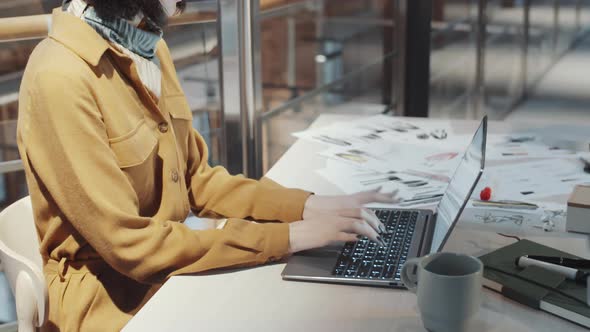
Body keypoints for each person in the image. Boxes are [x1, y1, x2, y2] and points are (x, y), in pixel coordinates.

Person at [16, 1, 398, 330]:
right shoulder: (61, 77)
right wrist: (291, 237)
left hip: (167, 278)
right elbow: (132, 246)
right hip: (108, 305)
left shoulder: (145, 45)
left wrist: (307, 206)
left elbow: (197, 179)